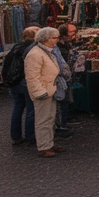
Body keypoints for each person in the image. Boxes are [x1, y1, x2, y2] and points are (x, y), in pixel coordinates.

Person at [24, 27, 63, 158]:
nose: (57, 40)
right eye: (54, 37)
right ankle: (44, 146)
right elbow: (32, 76)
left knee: (50, 118)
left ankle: (49, 143)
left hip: (50, 89)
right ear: (46, 39)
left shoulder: (46, 51)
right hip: (44, 91)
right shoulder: (35, 54)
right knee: (43, 120)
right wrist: (40, 92)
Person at [3, 26, 39, 146]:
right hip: (24, 80)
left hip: (14, 82)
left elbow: (6, 64)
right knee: (31, 109)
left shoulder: (15, 47)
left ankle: (16, 136)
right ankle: (30, 136)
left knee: (17, 108)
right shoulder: (31, 49)